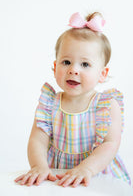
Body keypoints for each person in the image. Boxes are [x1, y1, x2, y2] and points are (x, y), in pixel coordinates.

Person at [15, 12, 131, 187]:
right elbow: (37, 140)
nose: (74, 70)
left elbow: (110, 144)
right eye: (66, 62)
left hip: (97, 177)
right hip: (59, 178)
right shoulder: (49, 104)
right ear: (55, 67)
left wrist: (87, 169)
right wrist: (39, 166)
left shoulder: (106, 105)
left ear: (102, 73)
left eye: (85, 64)